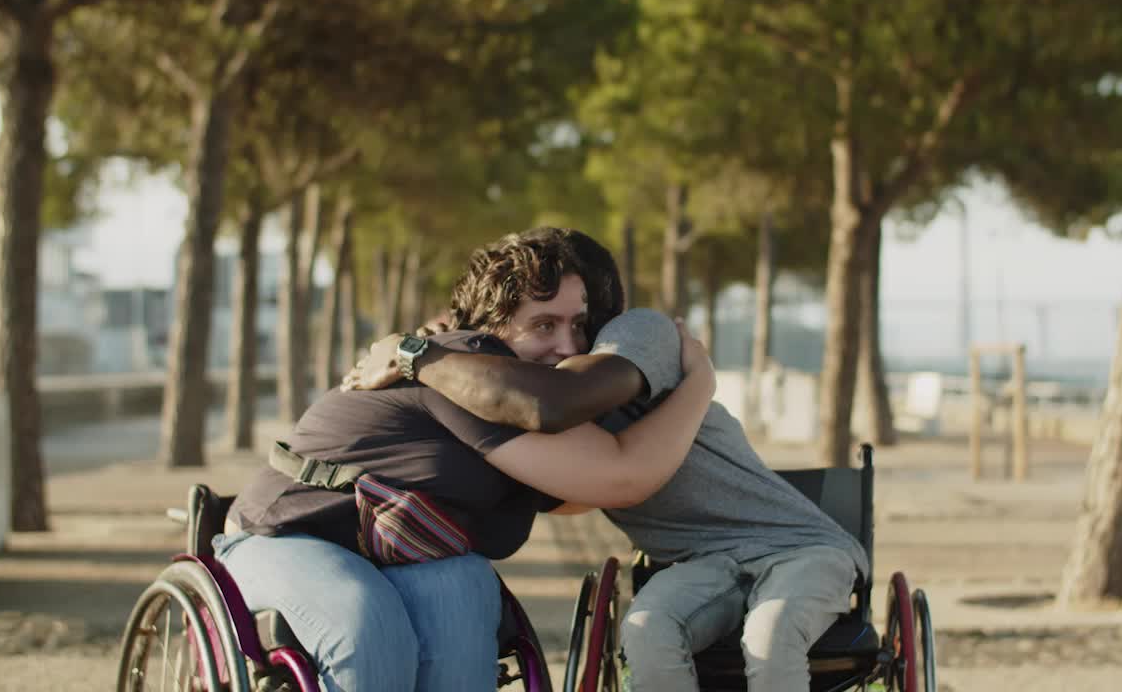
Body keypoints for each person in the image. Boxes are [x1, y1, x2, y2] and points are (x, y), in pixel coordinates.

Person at [348, 229, 870, 692]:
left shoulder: (639, 334)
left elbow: (553, 397)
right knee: (646, 635)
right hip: (700, 563)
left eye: (578, 314)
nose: (569, 337)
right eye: (545, 319)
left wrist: (423, 352)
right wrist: (438, 352)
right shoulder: (512, 388)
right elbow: (561, 492)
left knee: (770, 636)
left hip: (800, 548)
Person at [217, 228, 716, 692]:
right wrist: (701, 383)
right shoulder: (471, 374)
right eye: (544, 325)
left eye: (579, 326)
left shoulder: (511, 390)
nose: (568, 346)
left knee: (464, 594)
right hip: (287, 532)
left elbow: (579, 490)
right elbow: (621, 478)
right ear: (489, 329)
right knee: (366, 619)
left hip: (403, 546)